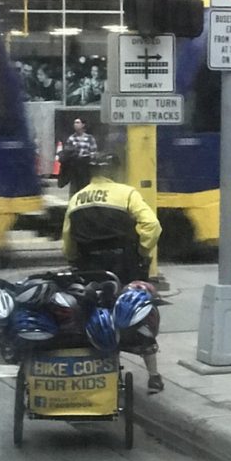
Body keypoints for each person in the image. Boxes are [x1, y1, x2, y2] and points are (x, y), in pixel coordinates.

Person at [62, 153, 164, 393]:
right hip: (124, 267)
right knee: (138, 314)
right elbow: (152, 225)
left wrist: (77, 261)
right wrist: (140, 250)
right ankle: (154, 376)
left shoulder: (77, 199)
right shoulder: (126, 193)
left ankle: (100, 372)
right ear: (115, 172)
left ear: (92, 174)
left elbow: (68, 244)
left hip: (90, 271)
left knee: (90, 315)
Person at [61, 117, 98, 196]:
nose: (75, 125)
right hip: (74, 166)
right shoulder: (71, 138)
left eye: (78, 122)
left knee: (85, 186)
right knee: (74, 187)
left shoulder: (89, 138)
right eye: (75, 123)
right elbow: (67, 151)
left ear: (83, 125)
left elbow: (93, 152)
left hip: (85, 165)